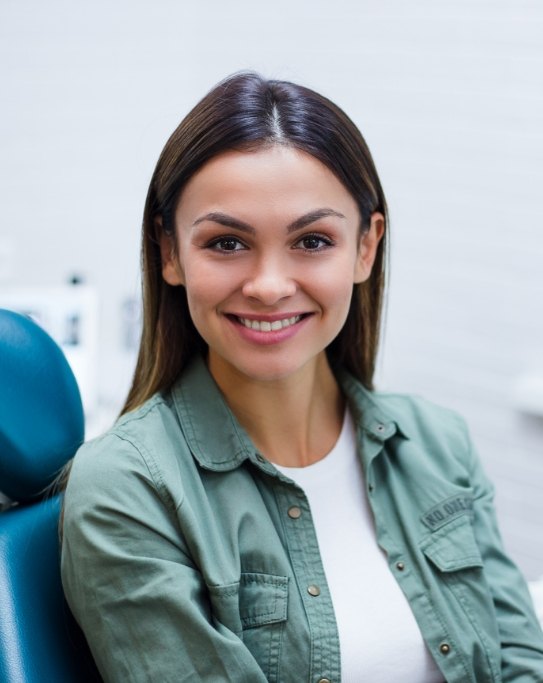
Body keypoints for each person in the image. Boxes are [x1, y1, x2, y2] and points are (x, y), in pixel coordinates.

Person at [60, 72, 543, 683]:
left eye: (312, 240)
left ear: (366, 247)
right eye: (227, 242)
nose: (268, 285)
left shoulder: (437, 442)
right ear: (170, 252)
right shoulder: (126, 489)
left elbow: (521, 661)